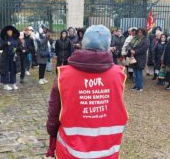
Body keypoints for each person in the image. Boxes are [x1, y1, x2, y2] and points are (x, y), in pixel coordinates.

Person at [46, 25, 128, 158]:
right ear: (108, 46)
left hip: (70, 151)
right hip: (107, 151)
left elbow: (54, 113)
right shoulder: (119, 75)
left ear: (84, 44)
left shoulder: (64, 76)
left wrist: (52, 134)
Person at [0, 25, 21, 90]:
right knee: (5, 70)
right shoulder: (3, 38)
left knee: (13, 70)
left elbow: (19, 46)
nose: (9, 32)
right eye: (8, 31)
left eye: (11, 31)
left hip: (13, 57)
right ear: (6, 32)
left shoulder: (16, 38)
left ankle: (13, 83)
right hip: (5, 57)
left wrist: (16, 49)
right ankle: (5, 85)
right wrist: (6, 44)